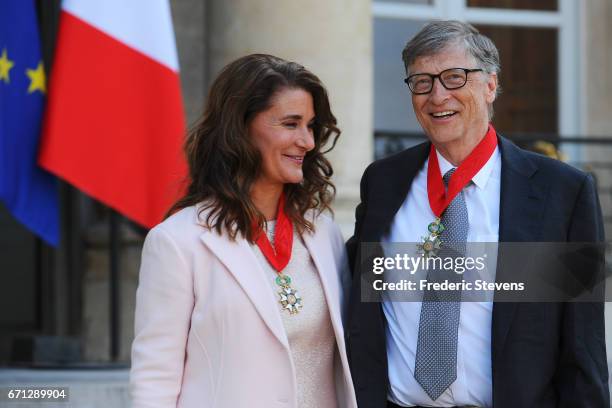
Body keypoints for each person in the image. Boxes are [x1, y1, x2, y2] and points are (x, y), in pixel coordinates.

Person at [346, 21, 608, 408]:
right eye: (422, 81)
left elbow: (583, 349)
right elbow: (361, 309)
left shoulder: (562, 192)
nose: (437, 96)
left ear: (489, 86)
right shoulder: (384, 182)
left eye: (454, 78)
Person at [130, 54, 357, 408]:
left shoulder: (323, 232)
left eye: (310, 125)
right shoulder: (176, 242)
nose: (308, 141)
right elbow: (154, 378)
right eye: (291, 123)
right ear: (240, 129)